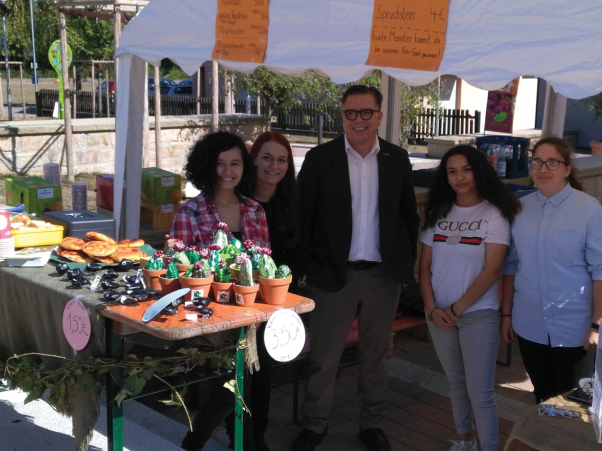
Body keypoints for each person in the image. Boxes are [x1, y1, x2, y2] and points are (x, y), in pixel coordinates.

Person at [293, 85, 420, 451]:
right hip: (334, 275)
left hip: (382, 275)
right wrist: (304, 273)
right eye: (351, 113)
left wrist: (403, 265)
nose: (358, 120)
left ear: (379, 116)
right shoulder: (320, 159)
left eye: (366, 112)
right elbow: (305, 218)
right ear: (342, 116)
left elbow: (408, 218)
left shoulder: (397, 159)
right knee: (324, 357)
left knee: (376, 354)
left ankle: (372, 424)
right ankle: (315, 425)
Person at [172, 131, 271, 451]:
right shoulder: (189, 212)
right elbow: (181, 268)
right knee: (236, 384)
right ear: (206, 166)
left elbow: (264, 264)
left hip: (248, 315)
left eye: (235, 163)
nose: (228, 171)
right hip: (207, 317)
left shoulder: (255, 211)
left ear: (245, 167)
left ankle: (234, 441)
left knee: (240, 382)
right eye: (220, 163)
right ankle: (200, 441)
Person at [501, 137, 602, 403]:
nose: (543, 168)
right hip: (529, 324)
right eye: (537, 162)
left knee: (576, 403)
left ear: (567, 168)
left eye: (552, 162)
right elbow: (511, 264)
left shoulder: (589, 211)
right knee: (543, 397)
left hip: (576, 329)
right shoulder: (521, 209)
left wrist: (599, 325)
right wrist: (506, 314)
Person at [418, 145, 519, 451]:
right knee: (456, 384)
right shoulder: (438, 213)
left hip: (478, 315)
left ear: (478, 171)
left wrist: (455, 309)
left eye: (465, 169)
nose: (459, 177)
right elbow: (423, 267)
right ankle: (464, 440)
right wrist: (432, 309)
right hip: (438, 316)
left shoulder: (493, 213)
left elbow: (493, 270)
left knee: (481, 392)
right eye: (451, 171)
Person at [218, 131, 300, 451]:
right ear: (254, 160)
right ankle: (236, 435)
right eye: (266, 157)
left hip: (275, 305)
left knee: (261, 373)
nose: (273, 165)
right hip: (235, 302)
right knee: (233, 372)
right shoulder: (235, 199)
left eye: (281, 160)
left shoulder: (293, 202)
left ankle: (257, 438)